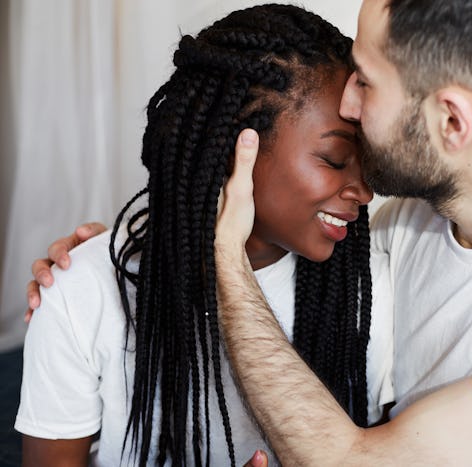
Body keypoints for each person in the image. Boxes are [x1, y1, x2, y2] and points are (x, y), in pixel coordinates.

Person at [26, 0, 472, 465]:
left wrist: (221, 258)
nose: (349, 98)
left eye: (368, 82)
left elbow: (349, 458)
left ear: (451, 123)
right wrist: (116, 256)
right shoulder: (401, 232)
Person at [15, 4, 394, 467]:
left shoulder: (370, 285)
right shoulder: (81, 291)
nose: (364, 189)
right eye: (336, 159)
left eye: (366, 159)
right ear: (236, 150)